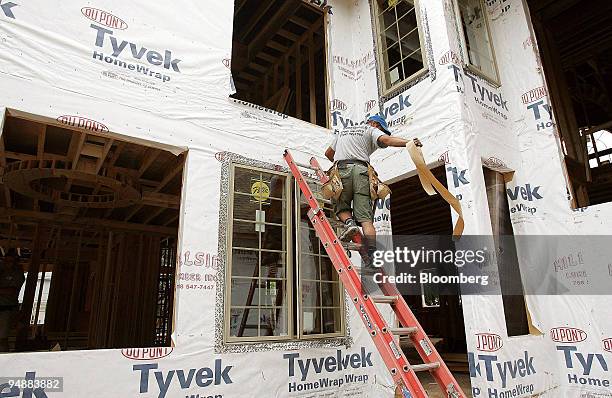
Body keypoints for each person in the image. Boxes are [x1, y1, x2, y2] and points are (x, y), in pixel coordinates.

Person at [325, 115, 422, 249]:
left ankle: (349, 223)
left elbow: (328, 153)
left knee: (341, 206)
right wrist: (408, 143)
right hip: (362, 172)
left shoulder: (343, 132)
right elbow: (387, 140)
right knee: (366, 220)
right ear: (375, 124)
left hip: (342, 170)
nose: (381, 134)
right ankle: (372, 252)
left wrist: (342, 161)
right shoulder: (370, 129)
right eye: (382, 130)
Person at [0, 249, 25, 352]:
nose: (6, 263)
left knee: (2, 339)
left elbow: (11, 291)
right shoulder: (2, 271)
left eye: (10, 261)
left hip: (7, 309)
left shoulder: (17, 274)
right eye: (5, 261)